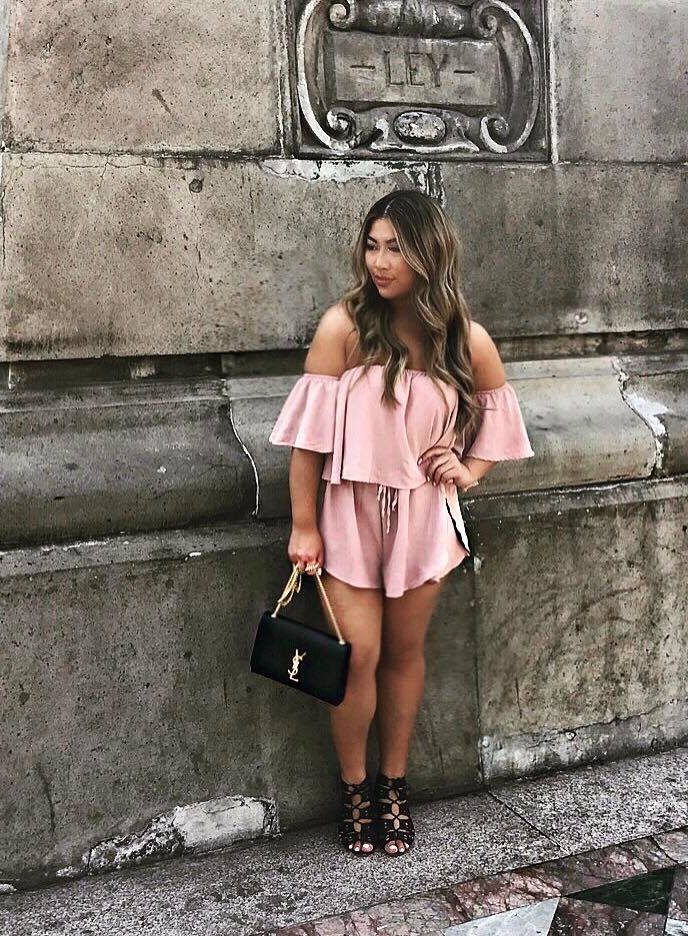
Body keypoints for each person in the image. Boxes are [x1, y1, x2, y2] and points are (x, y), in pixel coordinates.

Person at [268, 190, 534, 857]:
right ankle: (354, 788)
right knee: (358, 656)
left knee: (404, 654)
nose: (380, 262)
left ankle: (394, 783)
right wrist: (304, 524)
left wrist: (469, 470)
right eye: (373, 245)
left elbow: (499, 415)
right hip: (349, 514)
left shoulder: (463, 337)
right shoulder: (344, 328)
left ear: (429, 255)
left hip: (422, 519)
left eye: (396, 248)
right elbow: (307, 444)